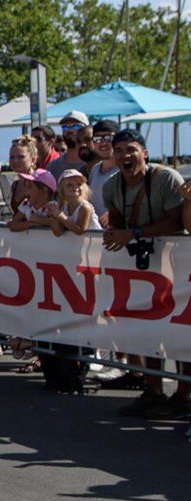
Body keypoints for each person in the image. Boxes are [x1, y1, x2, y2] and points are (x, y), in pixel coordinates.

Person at [103, 129, 189, 419]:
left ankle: (183, 394)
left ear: (145, 153)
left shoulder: (166, 178)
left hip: (176, 265)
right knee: (147, 327)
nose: (126, 156)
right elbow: (115, 217)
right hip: (140, 267)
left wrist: (133, 233)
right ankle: (152, 389)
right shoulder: (111, 186)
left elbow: (175, 222)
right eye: (120, 151)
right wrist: (113, 229)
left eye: (131, 150)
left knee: (180, 329)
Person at [87, 119, 120, 227]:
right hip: (96, 234)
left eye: (108, 138)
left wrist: (117, 214)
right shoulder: (95, 169)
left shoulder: (125, 170)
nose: (103, 143)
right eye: (97, 139)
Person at [45, 111, 91, 178]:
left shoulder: (95, 164)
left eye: (75, 126)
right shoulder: (53, 167)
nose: (70, 130)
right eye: (65, 127)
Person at [52, 169, 97, 235]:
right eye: (69, 185)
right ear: (61, 189)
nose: (75, 187)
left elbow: (80, 231)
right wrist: (54, 216)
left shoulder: (85, 207)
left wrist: (60, 216)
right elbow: (58, 233)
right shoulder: (62, 207)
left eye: (79, 184)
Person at [7, 136, 38, 214]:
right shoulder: (15, 185)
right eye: (12, 157)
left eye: (21, 157)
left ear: (33, 159)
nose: (15, 161)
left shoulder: (39, 184)